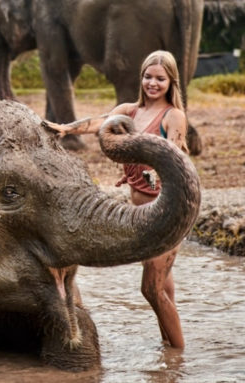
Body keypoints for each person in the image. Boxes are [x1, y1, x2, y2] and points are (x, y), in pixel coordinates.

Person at [48, 50, 188, 349]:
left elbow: (173, 154)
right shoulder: (130, 111)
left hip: (169, 211)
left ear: (171, 82)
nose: (153, 83)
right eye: (148, 76)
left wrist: (155, 173)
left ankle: (178, 357)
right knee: (163, 286)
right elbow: (100, 123)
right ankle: (169, 351)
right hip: (141, 210)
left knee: (150, 288)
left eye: (160, 79)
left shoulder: (173, 115)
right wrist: (65, 128)